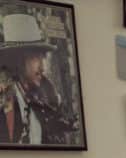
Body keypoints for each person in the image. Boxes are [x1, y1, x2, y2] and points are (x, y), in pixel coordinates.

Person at [0, 14, 78, 146]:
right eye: (36, 57)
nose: (43, 67)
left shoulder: (47, 95)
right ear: (18, 60)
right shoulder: (5, 100)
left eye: (43, 57)